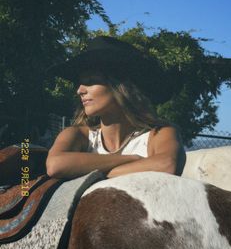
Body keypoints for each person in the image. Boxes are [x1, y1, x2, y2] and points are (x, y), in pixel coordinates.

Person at [46, 36, 186, 179]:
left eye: (90, 81)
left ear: (120, 86)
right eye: (80, 83)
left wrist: (91, 173)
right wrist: (132, 159)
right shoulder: (77, 135)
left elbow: (166, 165)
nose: (79, 90)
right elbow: (55, 165)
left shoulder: (160, 133)